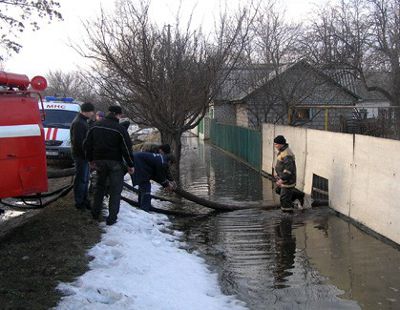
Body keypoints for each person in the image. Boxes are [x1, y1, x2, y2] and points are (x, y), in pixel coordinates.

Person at [84, 105, 134, 225]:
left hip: (99, 162)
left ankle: (95, 214)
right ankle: (112, 219)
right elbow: (127, 149)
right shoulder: (120, 129)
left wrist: (90, 160)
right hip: (115, 163)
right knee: (115, 191)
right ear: (118, 114)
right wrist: (130, 164)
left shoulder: (95, 126)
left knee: (99, 188)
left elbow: (87, 145)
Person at [70, 102, 95, 210]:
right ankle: (79, 202)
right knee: (81, 179)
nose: (93, 114)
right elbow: (79, 143)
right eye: (92, 111)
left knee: (85, 179)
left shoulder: (82, 121)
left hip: (83, 156)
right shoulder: (79, 123)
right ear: (87, 111)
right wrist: (87, 156)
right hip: (81, 156)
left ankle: (84, 200)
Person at [273, 135, 305, 212]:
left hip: (288, 180)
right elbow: (281, 166)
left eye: (276, 144)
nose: (275, 146)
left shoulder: (287, 154)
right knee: (278, 190)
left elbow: (288, 170)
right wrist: (278, 176)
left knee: (284, 199)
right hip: (283, 178)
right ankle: (297, 197)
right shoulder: (282, 151)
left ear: (281, 144)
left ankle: (287, 214)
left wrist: (282, 179)